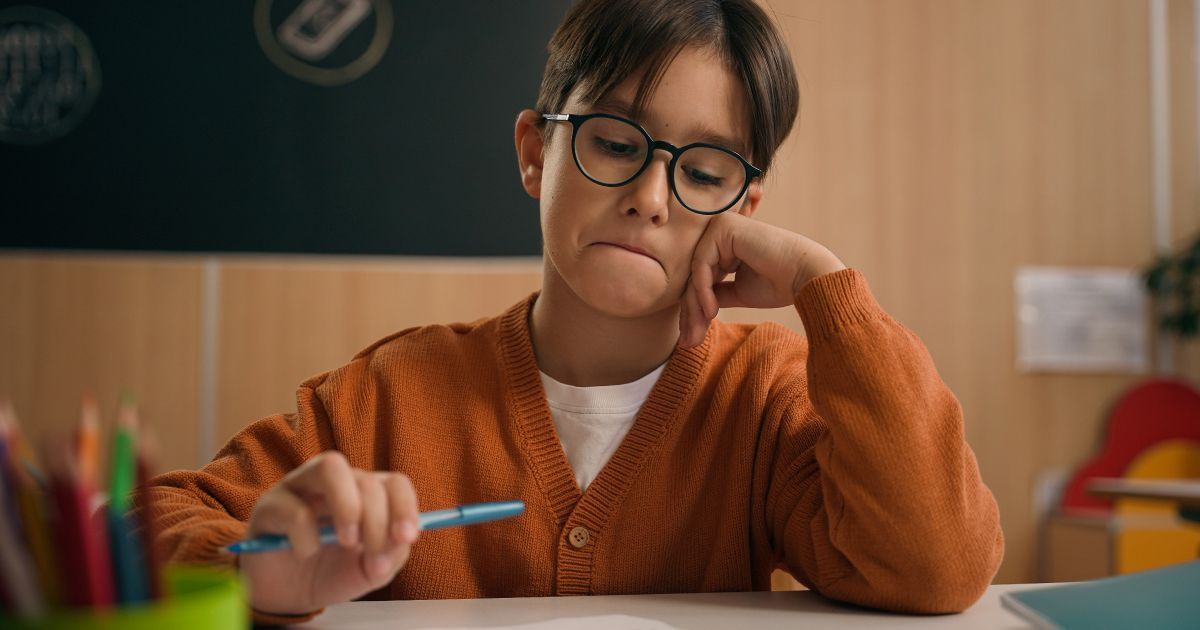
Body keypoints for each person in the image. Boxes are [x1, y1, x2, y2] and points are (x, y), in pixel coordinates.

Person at [140, 0, 1003, 624]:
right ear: (535, 152)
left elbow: (936, 567)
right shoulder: (392, 392)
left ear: (744, 210)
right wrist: (260, 576)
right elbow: (147, 523)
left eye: (704, 172)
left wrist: (826, 286)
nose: (650, 196)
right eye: (617, 144)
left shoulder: (766, 397)